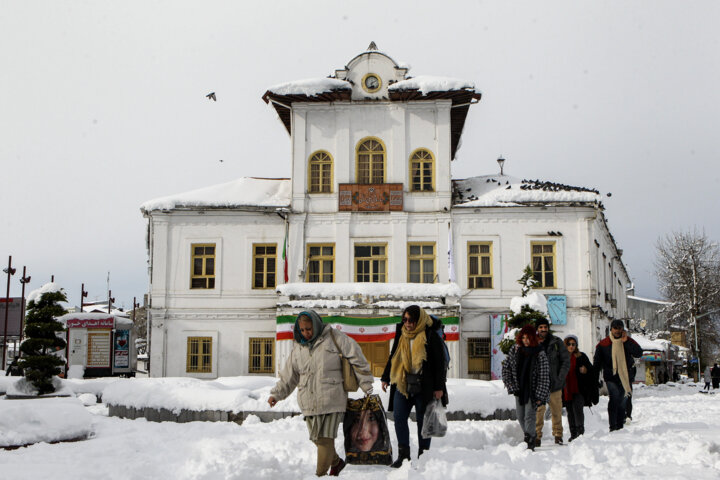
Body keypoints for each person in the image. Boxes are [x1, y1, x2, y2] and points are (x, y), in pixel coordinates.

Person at [268, 310, 373, 477]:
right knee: (317, 438)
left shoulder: (335, 337)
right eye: (302, 330)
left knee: (325, 439)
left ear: (316, 324)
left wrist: (366, 384)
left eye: (308, 329)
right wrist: (277, 394)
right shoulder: (299, 347)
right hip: (309, 400)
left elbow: (357, 358)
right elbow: (290, 375)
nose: (306, 333)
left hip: (333, 397)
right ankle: (337, 462)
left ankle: (320, 475)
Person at [381, 305, 448, 468]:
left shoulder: (430, 335)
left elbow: (440, 363)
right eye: (405, 319)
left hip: (425, 385)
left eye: (411, 320)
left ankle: (424, 455)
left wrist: (439, 387)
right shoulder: (402, 333)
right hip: (402, 382)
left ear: (419, 320)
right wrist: (385, 377)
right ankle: (403, 455)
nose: (408, 323)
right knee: (399, 418)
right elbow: (394, 355)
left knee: (423, 421)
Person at [502, 324, 550, 451]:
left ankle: (529, 439)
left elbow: (544, 376)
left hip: (532, 391)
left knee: (529, 415)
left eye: (528, 338)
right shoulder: (515, 350)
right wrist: (511, 385)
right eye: (523, 338)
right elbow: (506, 368)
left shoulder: (539, 353)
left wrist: (540, 395)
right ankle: (531, 435)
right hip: (519, 389)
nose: (526, 341)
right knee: (520, 415)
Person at [593, 319, 643, 432]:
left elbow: (638, 353)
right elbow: (597, 364)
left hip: (625, 377)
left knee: (623, 401)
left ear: (623, 329)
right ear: (611, 329)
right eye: (615, 328)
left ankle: (620, 425)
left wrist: (626, 342)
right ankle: (612, 426)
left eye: (620, 328)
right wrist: (594, 379)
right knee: (614, 397)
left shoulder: (627, 341)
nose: (617, 331)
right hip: (611, 376)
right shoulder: (603, 344)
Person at [534, 318, 570, 446]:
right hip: (539, 385)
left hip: (555, 384)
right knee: (539, 412)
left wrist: (560, 378)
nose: (543, 329)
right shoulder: (534, 343)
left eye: (545, 327)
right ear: (537, 329)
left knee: (556, 411)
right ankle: (537, 436)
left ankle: (558, 435)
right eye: (540, 327)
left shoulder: (556, 342)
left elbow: (566, 361)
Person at [562, 335, 597, 441]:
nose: (571, 346)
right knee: (570, 411)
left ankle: (580, 431)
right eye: (569, 344)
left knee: (578, 409)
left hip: (579, 388)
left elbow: (591, 370)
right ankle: (573, 433)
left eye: (573, 344)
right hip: (566, 389)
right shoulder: (562, 357)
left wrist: (585, 370)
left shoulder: (581, 356)